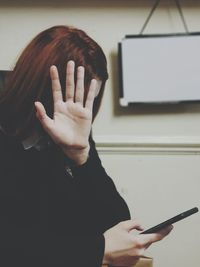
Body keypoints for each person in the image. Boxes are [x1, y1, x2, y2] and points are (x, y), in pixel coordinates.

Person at [0, 25, 173, 267]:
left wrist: (82, 156)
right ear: (37, 86)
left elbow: (116, 224)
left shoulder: (74, 134)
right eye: (69, 98)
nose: (80, 112)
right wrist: (97, 250)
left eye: (89, 103)